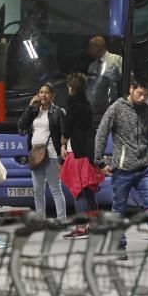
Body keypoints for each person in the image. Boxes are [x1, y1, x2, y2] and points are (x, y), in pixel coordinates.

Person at [94, 79, 148, 255]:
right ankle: (118, 246)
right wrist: (99, 162)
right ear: (131, 89)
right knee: (119, 209)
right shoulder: (117, 108)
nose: (143, 97)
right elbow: (101, 132)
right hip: (122, 169)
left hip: (144, 168)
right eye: (140, 93)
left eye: (146, 95)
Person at [60, 72, 104, 238]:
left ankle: (80, 227)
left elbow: (68, 129)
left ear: (72, 87)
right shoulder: (86, 104)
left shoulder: (73, 105)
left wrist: (63, 143)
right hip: (88, 151)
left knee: (78, 190)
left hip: (77, 152)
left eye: (69, 85)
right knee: (87, 191)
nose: (67, 87)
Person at [18, 82, 67, 220]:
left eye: (46, 92)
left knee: (55, 189)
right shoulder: (34, 111)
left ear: (53, 96)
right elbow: (21, 128)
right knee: (38, 191)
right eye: (41, 92)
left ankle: (61, 220)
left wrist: (62, 155)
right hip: (35, 154)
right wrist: (29, 106)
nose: (43, 95)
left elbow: (65, 133)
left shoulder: (58, 112)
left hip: (51, 154)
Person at [85, 36, 122, 115]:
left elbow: (129, 80)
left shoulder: (116, 60)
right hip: (93, 108)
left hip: (111, 107)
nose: (88, 49)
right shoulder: (92, 65)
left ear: (97, 47)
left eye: (90, 46)